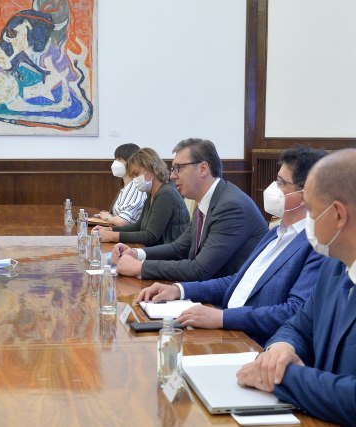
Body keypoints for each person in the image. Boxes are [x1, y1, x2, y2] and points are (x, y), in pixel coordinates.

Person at [136, 147, 326, 346]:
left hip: (255, 341)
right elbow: (239, 281)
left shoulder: (316, 245)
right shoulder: (275, 233)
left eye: (281, 183)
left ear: (306, 194)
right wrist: (179, 290)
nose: (273, 188)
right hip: (227, 328)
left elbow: (294, 312)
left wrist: (222, 318)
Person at [236, 149, 356, 425]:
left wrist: (284, 378)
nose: (307, 220)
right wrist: (282, 348)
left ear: (338, 215)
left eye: (311, 210)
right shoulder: (334, 265)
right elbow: (299, 326)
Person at [112, 138, 267, 282]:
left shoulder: (231, 206)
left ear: (203, 169)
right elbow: (179, 248)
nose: (172, 176)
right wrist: (136, 253)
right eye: (173, 169)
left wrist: (140, 267)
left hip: (231, 296)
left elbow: (200, 270)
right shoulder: (205, 201)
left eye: (178, 168)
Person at [95, 147, 189, 246]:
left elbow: (151, 236)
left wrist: (113, 236)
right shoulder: (152, 192)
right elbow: (138, 226)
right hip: (156, 249)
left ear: (151, 169)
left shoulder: (165, 194)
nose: (135, 179)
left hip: (168, 252)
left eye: (136, 174)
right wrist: (110, 229)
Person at [94, 143, 146, 227]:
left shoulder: (136, 188)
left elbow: (122, 221)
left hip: (129, 234)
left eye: (119, 159)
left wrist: (107, 217)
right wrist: (109, 216)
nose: (115, 163)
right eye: (116, 159)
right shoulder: (126, 187)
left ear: (132, 162)